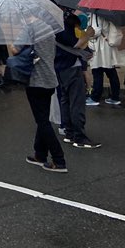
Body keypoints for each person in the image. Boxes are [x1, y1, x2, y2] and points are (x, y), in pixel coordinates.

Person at [20, 34, 68, 173]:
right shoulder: (48, 31)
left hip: (36, 81)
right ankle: (40, 154)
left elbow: (15, 50)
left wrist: (10, 42)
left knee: (42, 121)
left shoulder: (28, 31)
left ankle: (59, 160)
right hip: (49, 79)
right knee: (43, 118)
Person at [55, 11, 99, 149]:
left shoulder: (54, 24)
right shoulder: (64, 27)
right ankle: (79, 136)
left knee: (66, 100)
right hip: (71, 67)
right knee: (76, 102)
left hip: (60, 67)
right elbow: (76, 44)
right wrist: (88, 34)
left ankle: (69, 132)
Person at [87, 12, 124, 106]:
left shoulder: (96, 14)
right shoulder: (109, 13)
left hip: (100, 47)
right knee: (111, 72)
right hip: (107, 46)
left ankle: (95, 97)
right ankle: (115, 97)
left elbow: (95, 31)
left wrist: (86, 33)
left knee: (97, 71)